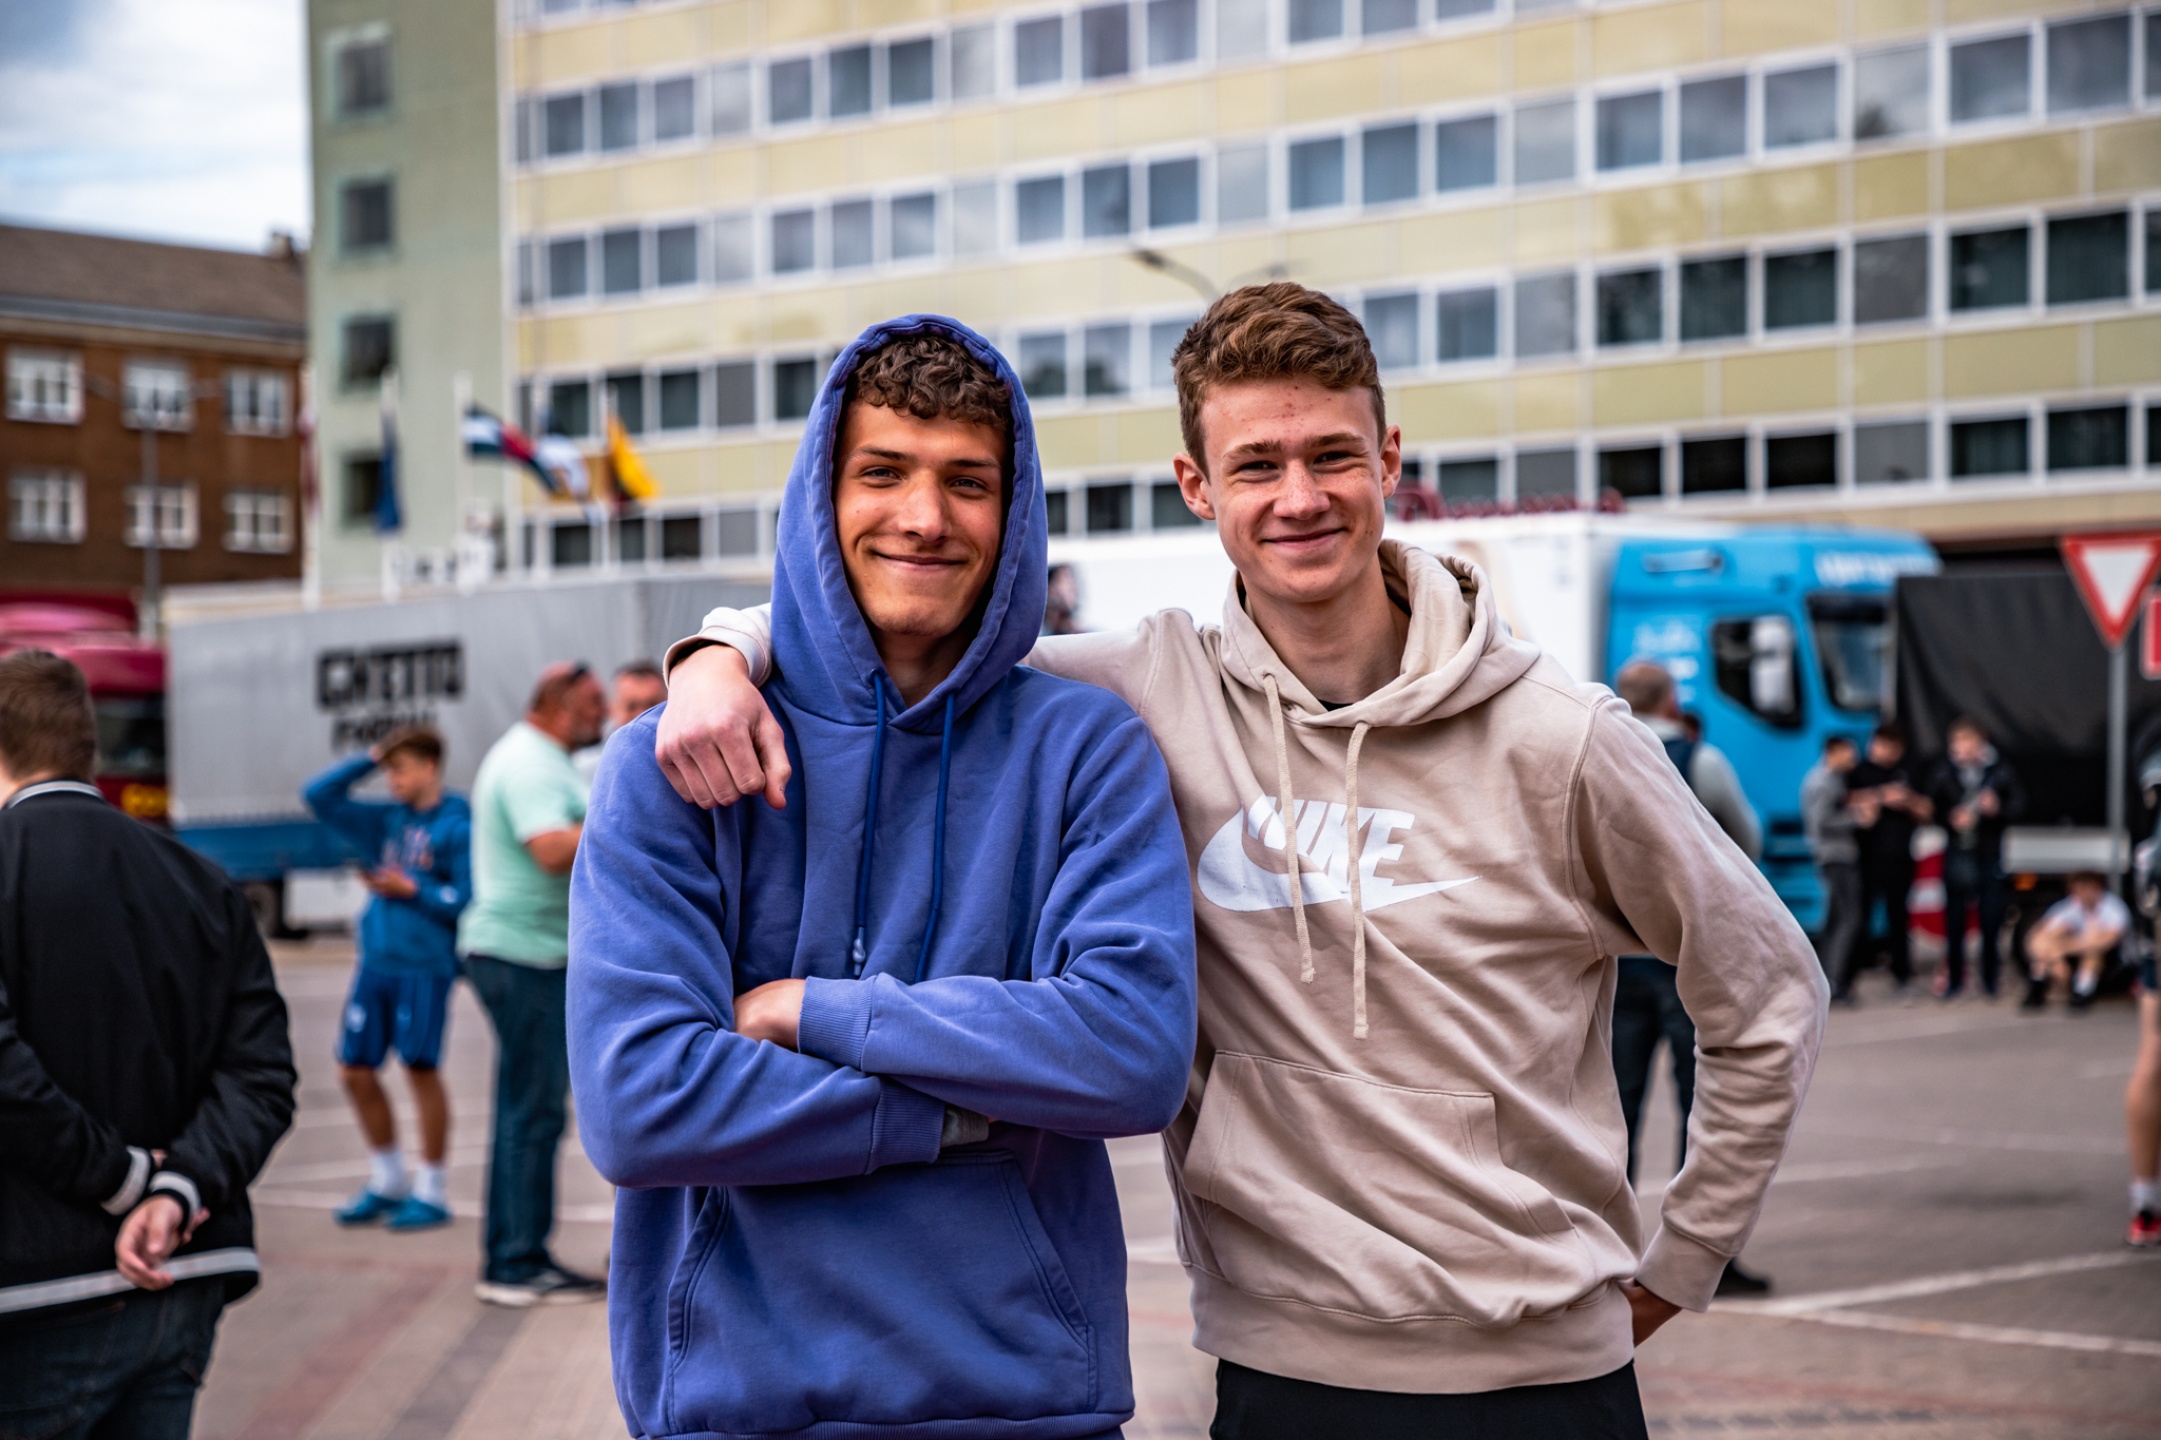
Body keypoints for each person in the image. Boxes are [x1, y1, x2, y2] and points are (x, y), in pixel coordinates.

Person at [659, 285, 1827, 1435]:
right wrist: (716, 653)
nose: (1299, 497)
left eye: (1332, 456)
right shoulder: (1142, 690)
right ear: (1197, 486)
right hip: (1277, 1375)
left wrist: (1684, 1259)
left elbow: (1766, 991)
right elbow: (917, 632)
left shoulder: (1560, 737)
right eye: (1256, 465)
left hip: (1544, 1384)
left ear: (1388, 461)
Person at [569, 319, 1197, 1439]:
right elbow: (642, 1105)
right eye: (883, 473)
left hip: (1025, 1402)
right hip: (735, 1406)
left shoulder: (1088, 752)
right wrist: (965, 1112)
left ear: (1014, 512)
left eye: (967, 482)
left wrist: (809, 1011)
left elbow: (1129, 1054)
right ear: (821, 499)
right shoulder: (675, 761)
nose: (924, 516)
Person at [0, 651, 296, 1436]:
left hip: (35, 1288)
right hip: (185, 1272)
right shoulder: (203, 880)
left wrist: (121, 1177)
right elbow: (261, 1076)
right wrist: (177, 1191)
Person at [1608, 661, 1771, 1298]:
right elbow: (1745, 840)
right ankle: (1698, 1260)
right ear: (1672, 699)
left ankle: (1606, 1255)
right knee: (1697, 1108)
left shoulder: (1596, 752)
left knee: (1613, 1108)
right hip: (1684, 962)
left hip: (1616, 964)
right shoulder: (1700, 759)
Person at [459, 662, 606, 1306]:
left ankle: (514, 1255)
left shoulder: (543, 759)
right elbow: (549, 849)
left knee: (527, 1109)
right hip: (523, 955)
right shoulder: (531, 763)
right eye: (593, 702)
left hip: (528, 953)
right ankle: (516, 1262)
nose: (602, 714)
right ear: (558, 705)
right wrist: (630, 815)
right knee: (532, 1112)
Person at [303, 726, 471, 1230]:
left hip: (424, 967)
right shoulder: (388, 820)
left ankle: (432, 1189)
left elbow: (467, 900)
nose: (391, 779)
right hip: (375, 962)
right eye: (388, 770)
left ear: (430, 767)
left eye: (400, 769)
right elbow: (318, 795)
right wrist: (373, 755)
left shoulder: (457, 824)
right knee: (354, 1070)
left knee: (420, 1069)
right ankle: (388, 1177)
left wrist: (412, 889)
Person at [1927, 716, 2023, 999]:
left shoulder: (2000, 771)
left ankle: (1990, 980)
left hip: (1988, 854)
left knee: (1991, 918)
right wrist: (1950, 818)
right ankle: (1955, 981)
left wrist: (1996, 809)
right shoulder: (1944, 772)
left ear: (1981, 744)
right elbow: (1930, 808)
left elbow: (2019, 806)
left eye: (1968, 743)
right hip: (1957, 854)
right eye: (1958, 744)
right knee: (1955, 921)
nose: (1962, 749)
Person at [1845, 722, 1930, 994]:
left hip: (1901, 856)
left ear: (1899, 748)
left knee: (1899, 918)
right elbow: (1844, 800)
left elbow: (1928, 810)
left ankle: (1902, 974)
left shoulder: (1908, 771)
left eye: (1889, 747)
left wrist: (1908, 800)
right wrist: (1881, 796)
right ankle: (1846, 979)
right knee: (1859, 918)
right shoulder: (1860, 771)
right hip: (1868, 857)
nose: (1881, 751)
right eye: (1879, 745)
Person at [1802, 735, 1864, 1003]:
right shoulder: (1822, 782)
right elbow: (1821, 822)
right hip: (1835, 857)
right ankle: (1835, 981)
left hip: (1835, 856)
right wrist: (1857, 818)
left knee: (1836, 919)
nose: (1853, 758)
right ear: (1833, 751)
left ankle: (1829, 979)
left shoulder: (1833, 780)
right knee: (1847, 919)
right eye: (1849, 752)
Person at [2024, 871, 2128, 1011]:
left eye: (2085, 888)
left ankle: (2082, 991)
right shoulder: (2069, 907)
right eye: (2076, 889)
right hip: (2073, 953)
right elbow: (2039, 938)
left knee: (2092, 953)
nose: (2080, 894)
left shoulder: (2112, 908)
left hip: (2113, 959)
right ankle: (2037, 990)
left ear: (2097, 887)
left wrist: (2063, 949)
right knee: (2042, 959)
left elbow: (2108, 941)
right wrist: (2055, 960)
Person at [575, 662, 668, 785]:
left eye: (652, 706)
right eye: (632, 707)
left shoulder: (682, 762)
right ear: (612, 708)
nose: (642, 716)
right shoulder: (584, 770)